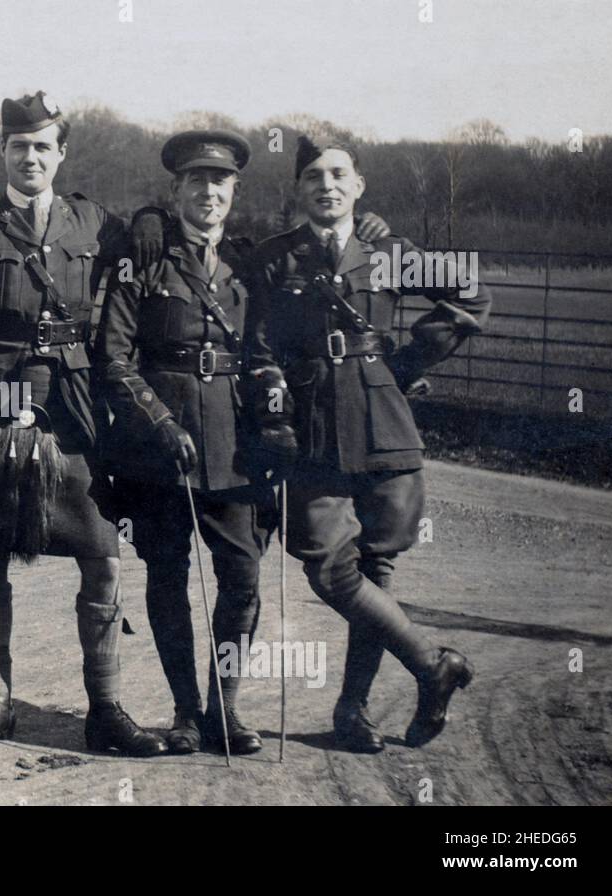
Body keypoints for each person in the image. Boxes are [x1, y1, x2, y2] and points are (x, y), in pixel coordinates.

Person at [97, 131, 394, 755]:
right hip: (160, 452)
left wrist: (277, 423)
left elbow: (269, 354)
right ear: (175, 190)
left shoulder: (249, 263)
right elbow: (115, 358)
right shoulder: (142, 256)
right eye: (195, 181)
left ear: (234, 190)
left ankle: (223, 708)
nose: (209, 192)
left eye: (221, 182)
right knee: (168, 575)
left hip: (233, 447)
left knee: (242, 580)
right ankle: (183, 712)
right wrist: (158, 422)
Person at [0, 92, 168, 757]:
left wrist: (148, 214)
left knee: (102, 557)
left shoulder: (93, 223)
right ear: (2, 151)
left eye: (42, 146)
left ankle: (105, 708)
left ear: (62, 153)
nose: (30, 156)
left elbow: (159, 238)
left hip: (76, 412)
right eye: (17, 146)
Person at [244, 135, 491, 752]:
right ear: (298, 192)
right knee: (330, 568)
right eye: (312, 178)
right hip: (313, 430)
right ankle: (431, 663)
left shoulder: (387, 253)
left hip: (384, 422)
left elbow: (473, 296)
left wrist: (407, 361)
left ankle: (352, 714)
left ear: (358, 186)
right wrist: (275, 402)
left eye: (337, 175)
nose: (325, 185)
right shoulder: (277, 258)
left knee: (378, 566)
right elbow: (258, 347)